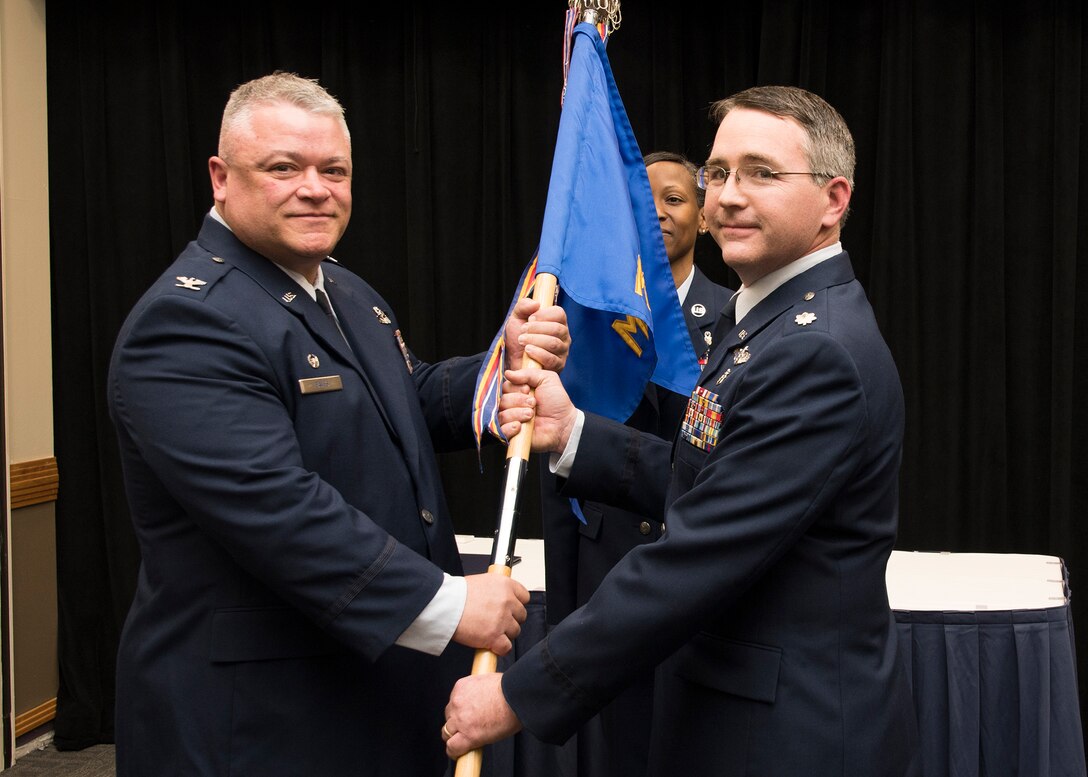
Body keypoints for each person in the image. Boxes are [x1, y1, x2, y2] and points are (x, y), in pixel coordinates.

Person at [444, 85, 921, 776]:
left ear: (834, 199)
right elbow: (701, 478)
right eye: (718, 173)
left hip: (788, 738)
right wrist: (574, 430)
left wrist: (520, 691)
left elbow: (697, 556)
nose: (727, 195)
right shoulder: (762, 319)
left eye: (761, 172)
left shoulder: (815, 350)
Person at [107, 72, 569, 776]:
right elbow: (277, 508)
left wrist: (492, 374)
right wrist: (447, 602)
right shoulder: (189, 321)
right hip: (260, 719)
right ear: (220, 178)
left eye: (334, 169)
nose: (315, 188)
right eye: (283, 168)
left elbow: (398, 401)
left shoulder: (343, 290)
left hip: (365, 691)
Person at [539, 150, 731, 777]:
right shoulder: (581, 323)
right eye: (641, 201)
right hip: (604, 574)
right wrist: (565, 613)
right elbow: (558, 467)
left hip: (692, 576)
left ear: (703, 217)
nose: (656, 212)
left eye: (674, 199)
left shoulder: (735, 319)